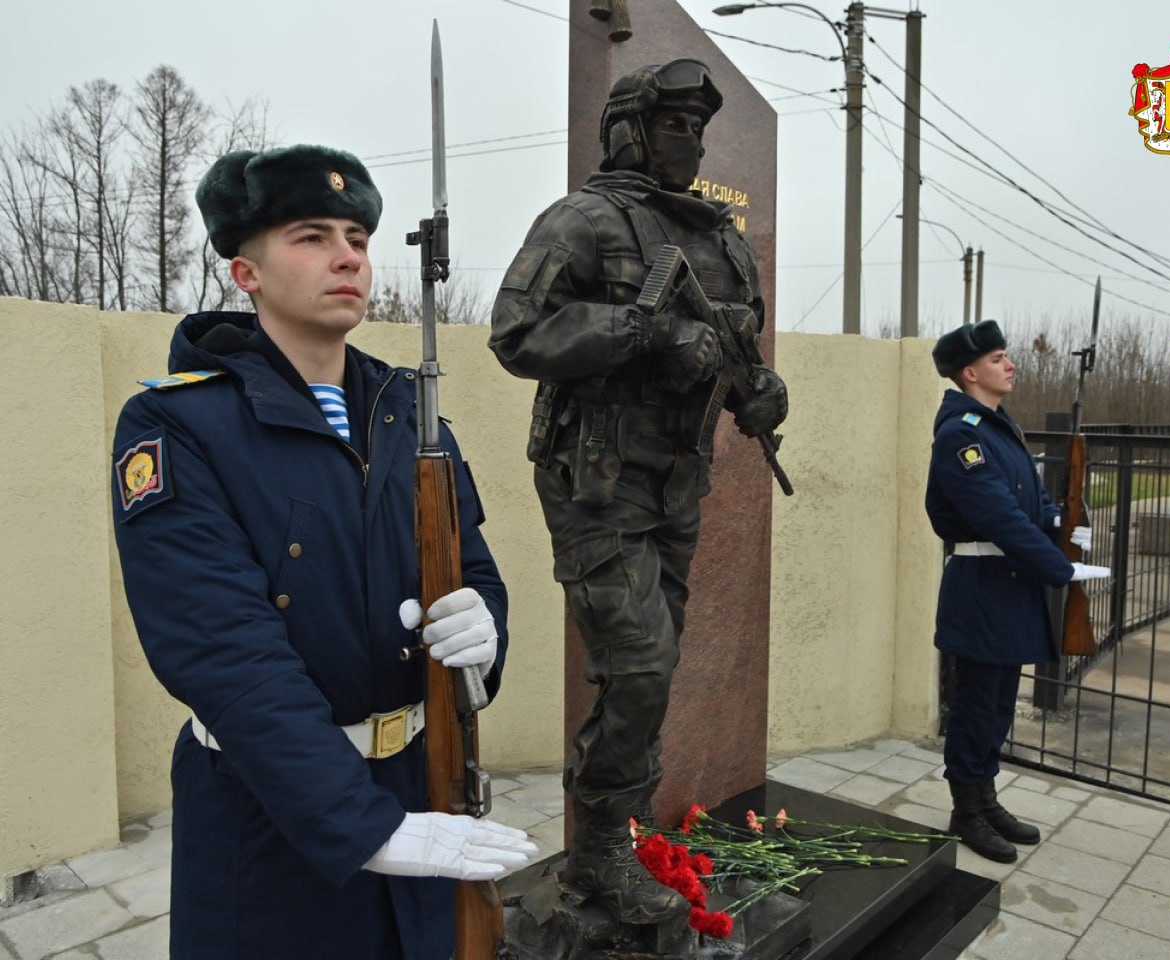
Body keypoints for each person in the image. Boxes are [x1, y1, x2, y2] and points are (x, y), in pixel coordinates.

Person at [111, 144, 536, 960]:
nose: (347, 256)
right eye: (311, 236)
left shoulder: (409, 411)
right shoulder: (178, 427)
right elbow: (221, 649)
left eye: (357, 237)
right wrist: (361, 825)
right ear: (247, 274)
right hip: (269, 819)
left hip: (421, 784)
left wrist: (487, 628)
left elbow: (467, 562)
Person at [488, 60, 787, 925]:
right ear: (628, 130)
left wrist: (759, 393)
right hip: (595, 483)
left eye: (696, 129)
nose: (688, 142)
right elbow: (516, 330)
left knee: (649, 676)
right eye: (670, 126)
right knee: (642, 664)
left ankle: (617, 835)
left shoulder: (720, 240)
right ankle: (596, 858)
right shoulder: (583, 221)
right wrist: (644, 334)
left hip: (676, 482)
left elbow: (740, 357)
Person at [925, 320, 1109, 862]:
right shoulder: (962, 433)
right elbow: (998, 515)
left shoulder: (999, 427)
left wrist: (1061, 523)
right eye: (1000, 358)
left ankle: (986, 799)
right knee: (977, 706)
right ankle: (965, 812)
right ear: (970, 371)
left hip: (1008, 588)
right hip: (982, 588)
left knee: (1000, 705)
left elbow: (1026, 501)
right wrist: (1059, 567)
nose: (1010, 365)